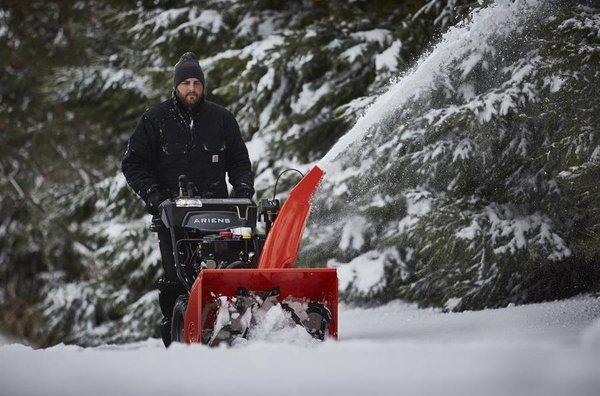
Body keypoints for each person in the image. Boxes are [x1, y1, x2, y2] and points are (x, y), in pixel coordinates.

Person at [121, 51, 254, 347]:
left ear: (203, 86)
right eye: (186, 83)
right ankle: (178, 338)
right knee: (176, 282)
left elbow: (240, 163)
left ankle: (236, 328)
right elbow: (132, 164)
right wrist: (155, 197)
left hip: (219, 215)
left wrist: (243, 194)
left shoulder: (221, 119)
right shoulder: (155, 120)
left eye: (196, 82)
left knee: (231, 272)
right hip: (173, 219)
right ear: (176, 86)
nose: (191, 88)